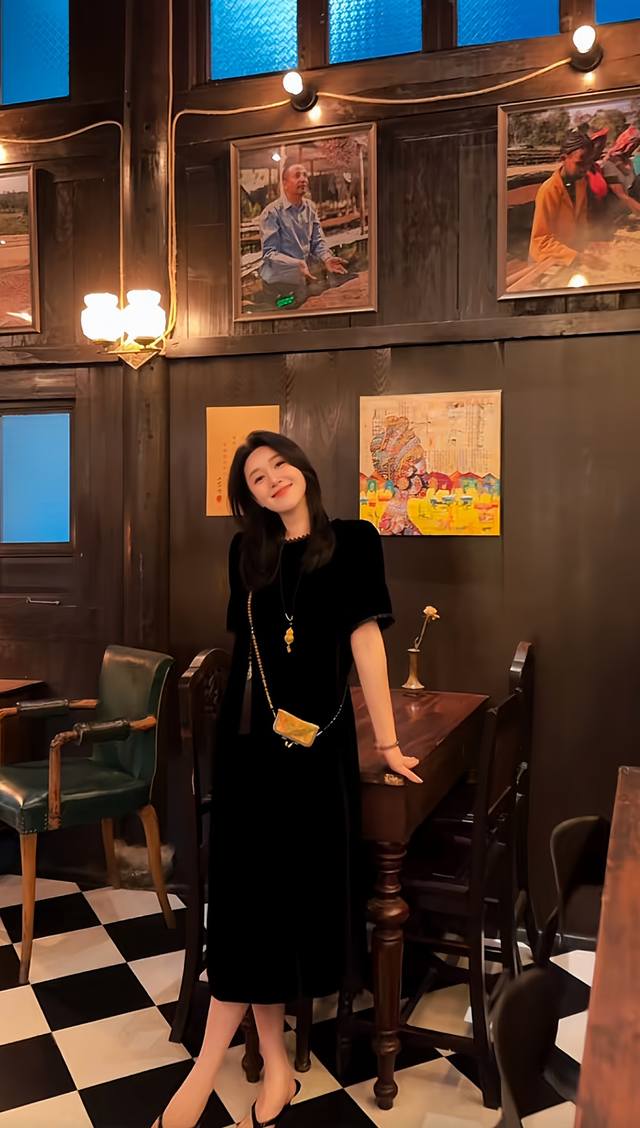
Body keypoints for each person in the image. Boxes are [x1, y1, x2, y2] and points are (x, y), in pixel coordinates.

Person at [153, 431, 421, 1128]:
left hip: (317, 749)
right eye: (256, 476)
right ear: (248, 497)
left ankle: (214, 1068)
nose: (273, 478)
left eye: (279, 465)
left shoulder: (355, 541)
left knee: (272, 910)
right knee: (247, 906)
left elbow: (366, 640)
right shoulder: (247, 552)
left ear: (302, 467)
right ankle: (264, 1065)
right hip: (250, 749)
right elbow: (245, 652)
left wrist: (387, 743)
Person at [258, 159, 350, 308]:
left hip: (302, 278)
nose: (303, 179)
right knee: (284, 314)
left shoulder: (310, 208)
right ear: (285, 183)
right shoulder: (271, 213)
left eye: (305, 175)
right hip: (278, 283)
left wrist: (327, 258)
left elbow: (317, 241)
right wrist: (297, 263)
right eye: (297, 175)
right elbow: (269, 254)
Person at [529, 130, 595, 266]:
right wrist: (577, 257)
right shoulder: (549, 190)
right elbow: (541, 240)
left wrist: (586, 244)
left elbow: (582, 221)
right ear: (563, 159)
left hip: (570, 254)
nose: (585, 169)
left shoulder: (581, 183)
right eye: (580, 163)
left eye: (589, 163)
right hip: (546, 260)